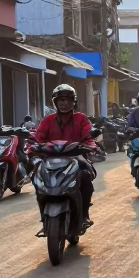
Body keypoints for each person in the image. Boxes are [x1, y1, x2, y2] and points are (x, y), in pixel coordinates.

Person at [31, 84, 97, 224]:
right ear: (55, 102)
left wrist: (91, 145)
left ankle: (84, 214)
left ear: (73, 102)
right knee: (36, 177)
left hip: (75, 157)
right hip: (50, 158)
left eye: (68, 100)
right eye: (61, 100)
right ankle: (44, 215)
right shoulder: (48, 120)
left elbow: (89, 136)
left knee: (85, 176)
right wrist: (32, 147)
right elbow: (38, 137)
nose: (64, 103)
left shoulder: (81, 118)